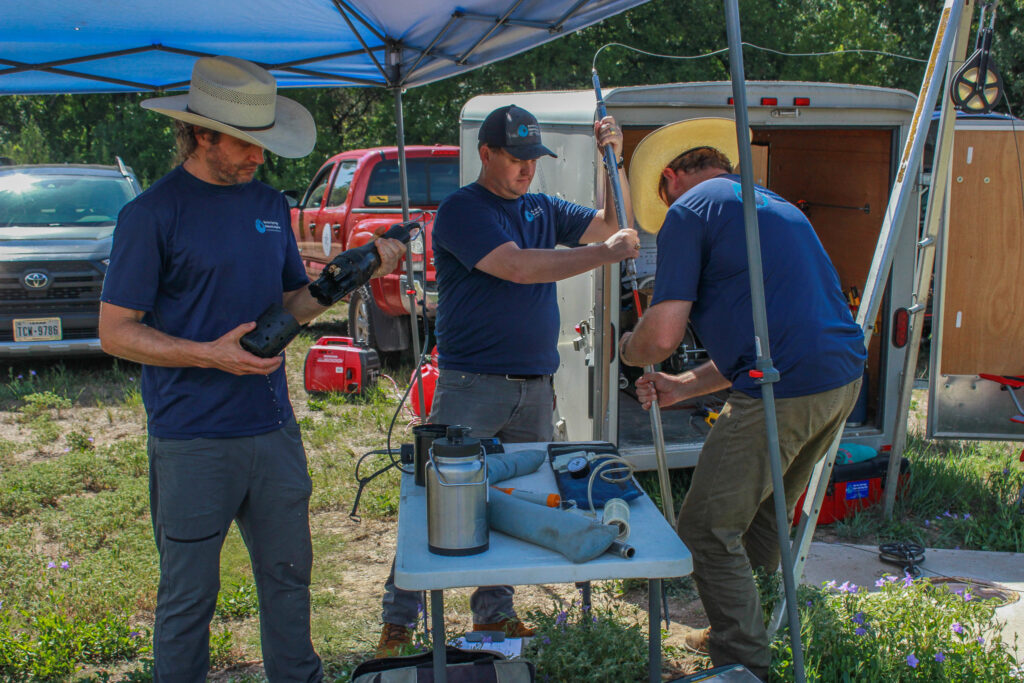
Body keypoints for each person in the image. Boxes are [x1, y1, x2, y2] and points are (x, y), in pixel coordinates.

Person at [98, 55, 403, 682]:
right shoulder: (152, 215)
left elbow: (291, 301)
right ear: (201, 133)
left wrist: (346, 277)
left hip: (272, 429)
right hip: (192, 438)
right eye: (246, 143)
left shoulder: (268, 204)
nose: (259, 158)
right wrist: (208, 353)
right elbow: (115, 332)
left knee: (290, 583)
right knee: (188, 600)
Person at [376, 104, 640, 654]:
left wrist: (613, 161)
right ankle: (398, 621)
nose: (527, 169)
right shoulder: (462, 211)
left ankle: (493, 617)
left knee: (513, 501)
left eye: (534, 158)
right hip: (472, 385)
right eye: (516, 158)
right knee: (437, 498)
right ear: (487, 153)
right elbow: (519, 266)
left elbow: (613, 225)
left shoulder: (542, 206)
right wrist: (602, 254)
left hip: (535, 384)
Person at [618, 118, 866, 680]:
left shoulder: (688, 211)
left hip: (787, 390)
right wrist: (683, 386)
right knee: (760, 519)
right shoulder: (765, 203)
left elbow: (660, 337)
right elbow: (759, 343)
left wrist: (630, 349)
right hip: (837, 381)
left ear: (671, 177)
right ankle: (741, 625)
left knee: (705, 529)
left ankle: (745, 666)